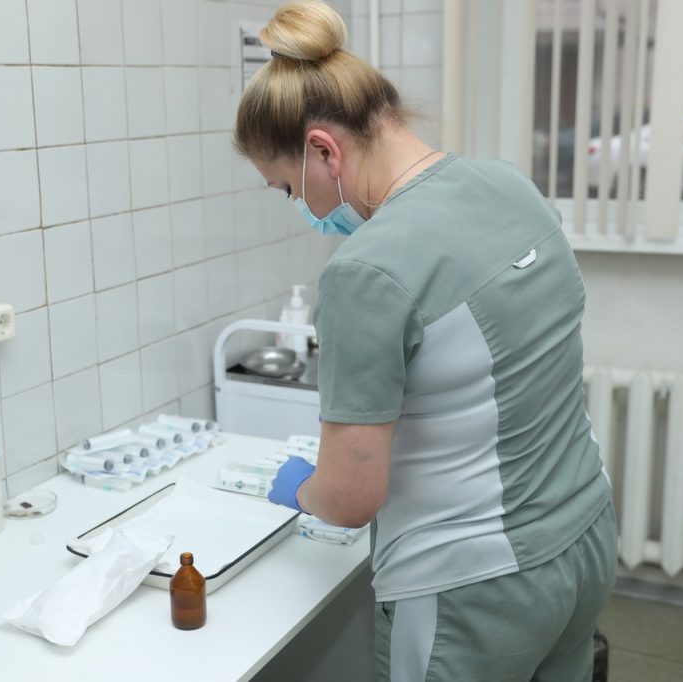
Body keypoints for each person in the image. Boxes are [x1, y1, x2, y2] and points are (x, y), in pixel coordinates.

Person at [234, 3, 618, 681]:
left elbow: (350, 498)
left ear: (324, 151)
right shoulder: (508, 185)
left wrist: (303, 489)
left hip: (474, 589)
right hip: (583, 537)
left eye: (289, 187)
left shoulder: (365, 271)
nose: (302, 208)